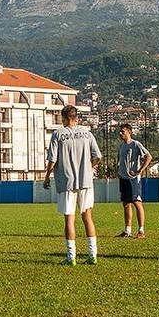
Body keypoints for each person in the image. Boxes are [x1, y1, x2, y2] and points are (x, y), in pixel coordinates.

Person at [43, 105, 102, 265]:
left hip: (66, 181)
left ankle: (71, 258)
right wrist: (89, 168)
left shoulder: (58, 134)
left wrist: (47, 177)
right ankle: (93, 255)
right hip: (86, 181)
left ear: (63, 118)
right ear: (76, 117)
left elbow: (52, 159)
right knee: (87, 217)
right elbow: (97, 156)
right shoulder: (87, 133)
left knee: (69, 219)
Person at [116, 124, 152, 239]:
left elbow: (148, 157)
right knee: (126, 204)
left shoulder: (135, 144)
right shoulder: (121, 146)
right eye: (120, 132)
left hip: (132, 179)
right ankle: (127, 230)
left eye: (123, 132)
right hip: (123, 178)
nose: (120, 134)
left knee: (137, 202)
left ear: (129, 132)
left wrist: (140, 170)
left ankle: (141, 230)